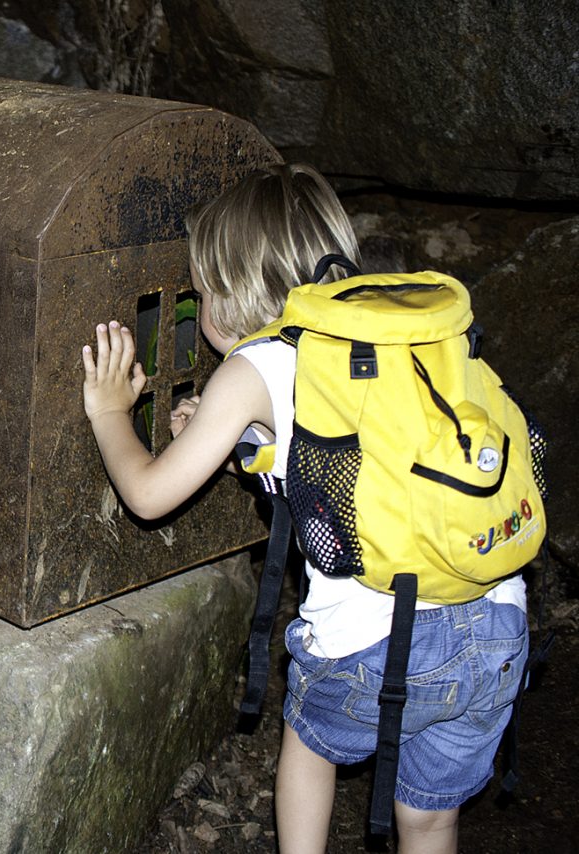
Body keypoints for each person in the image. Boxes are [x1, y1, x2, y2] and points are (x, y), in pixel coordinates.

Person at [80, 163, 527, 854]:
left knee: (311, 744)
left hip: (374, 641)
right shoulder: (394, 332)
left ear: (227, 298)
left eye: (202, 295)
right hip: (496, 619)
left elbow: (147, 495)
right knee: (431, 818)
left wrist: (112, 409)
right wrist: (233, 436)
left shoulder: (253, 366)